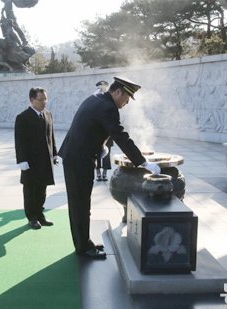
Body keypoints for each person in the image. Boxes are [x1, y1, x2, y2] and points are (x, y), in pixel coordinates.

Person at [58, 76, 161, 259]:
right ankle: (83, 248)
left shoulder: (97, 99)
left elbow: (96, 128)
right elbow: (120, 135)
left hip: (76, 157)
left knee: (81, 204)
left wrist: (100, 147)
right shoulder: (108, 107)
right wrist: (143, 162)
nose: (126, 103)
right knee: (80, 205)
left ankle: (84, 242)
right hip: (79, 160)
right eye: (126, 98)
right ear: (118, 92)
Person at [15, 87, 58, 230]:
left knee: (42, 189)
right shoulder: (23, 117)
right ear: (32, 100)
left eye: (46, 98)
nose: (44, 102)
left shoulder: (48, 114)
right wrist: (22, 160)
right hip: (30, 162)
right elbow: (19, 141)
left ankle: (40, 215)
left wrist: (55, 154)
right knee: (30, 190)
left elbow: (51, 136)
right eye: (41, 99)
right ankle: (32, 217)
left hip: (45, 160)